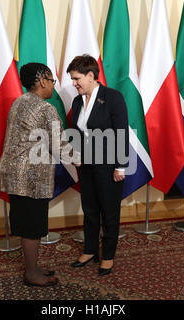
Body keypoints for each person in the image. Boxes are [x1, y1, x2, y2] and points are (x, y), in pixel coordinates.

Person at [0, 63, 79, 287]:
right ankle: (32, 273)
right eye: (52, 80)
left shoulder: (19, 102)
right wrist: (81, 159)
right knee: (32, 226)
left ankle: (33, 267)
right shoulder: (46, 108)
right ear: (42, 80)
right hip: (29, 175)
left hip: (13, 171)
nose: (54, 86)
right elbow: (59, 144)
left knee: (26, 223)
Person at [67, 55, 129, 276]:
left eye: (76, 79)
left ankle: (108, 255)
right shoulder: (77, 101)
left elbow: (121, 132)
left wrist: (121, 166)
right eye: (73, 79)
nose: (74, 83)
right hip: (86, 166)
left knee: (109, 211)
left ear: (91, 76)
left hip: (109, 165)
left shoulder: (113, 97)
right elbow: (76, 133)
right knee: (90, 209)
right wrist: (75, 154)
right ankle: (90, 250)